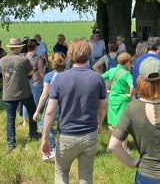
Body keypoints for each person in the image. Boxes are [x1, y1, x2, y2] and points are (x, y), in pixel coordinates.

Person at [41, 38, 107, 184]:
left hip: (66, 136)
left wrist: (45, 137)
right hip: (90, 134)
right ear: (89, 55)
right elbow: (103, 106)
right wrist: (99, 123)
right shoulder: (98, 78)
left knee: (61, 173)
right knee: (86, 177)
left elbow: (50, 112)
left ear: (70, 56)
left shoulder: (60, 79)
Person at [1, 37, 41, 152]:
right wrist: (33, 71)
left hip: (8, 93)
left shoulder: (2, 60)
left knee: (10, 119)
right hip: (24, 92)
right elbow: (30, 73)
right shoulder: (23, 60)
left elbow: (4, 73)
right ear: (19, 47)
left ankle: (11, 144)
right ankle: (33, 133)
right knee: (32, 111)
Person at [33, 52, 67, 161]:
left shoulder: (49, 76)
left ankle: (52, 148)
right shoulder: (69, 74)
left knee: (44, 125)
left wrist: (37, 111)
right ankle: (63, 149)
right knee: (62, 128)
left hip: (52, 105)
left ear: (52, 62)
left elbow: (44, 95)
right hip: (66, 105)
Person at [101, 52, 134, 152]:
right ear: (127, 62)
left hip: (112, 98)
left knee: (111, 123)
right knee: (124, 124)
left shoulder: (112, 70)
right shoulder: (127, 74)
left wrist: (106, 90)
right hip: (123, 100)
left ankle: (109, 146)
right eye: (130, 62)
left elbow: (100, 78)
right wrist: (130, 95)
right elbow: (132, 87)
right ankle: (124, 148)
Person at [22, 39, 45, 127]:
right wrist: (45, 81)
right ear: (36, 47)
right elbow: (41, 71)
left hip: (25, 81)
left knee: (26, 101)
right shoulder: (38, 58)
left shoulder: (23, 56)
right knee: (34, 101)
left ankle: (25, 121)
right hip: (36, 81)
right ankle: (33, 120)